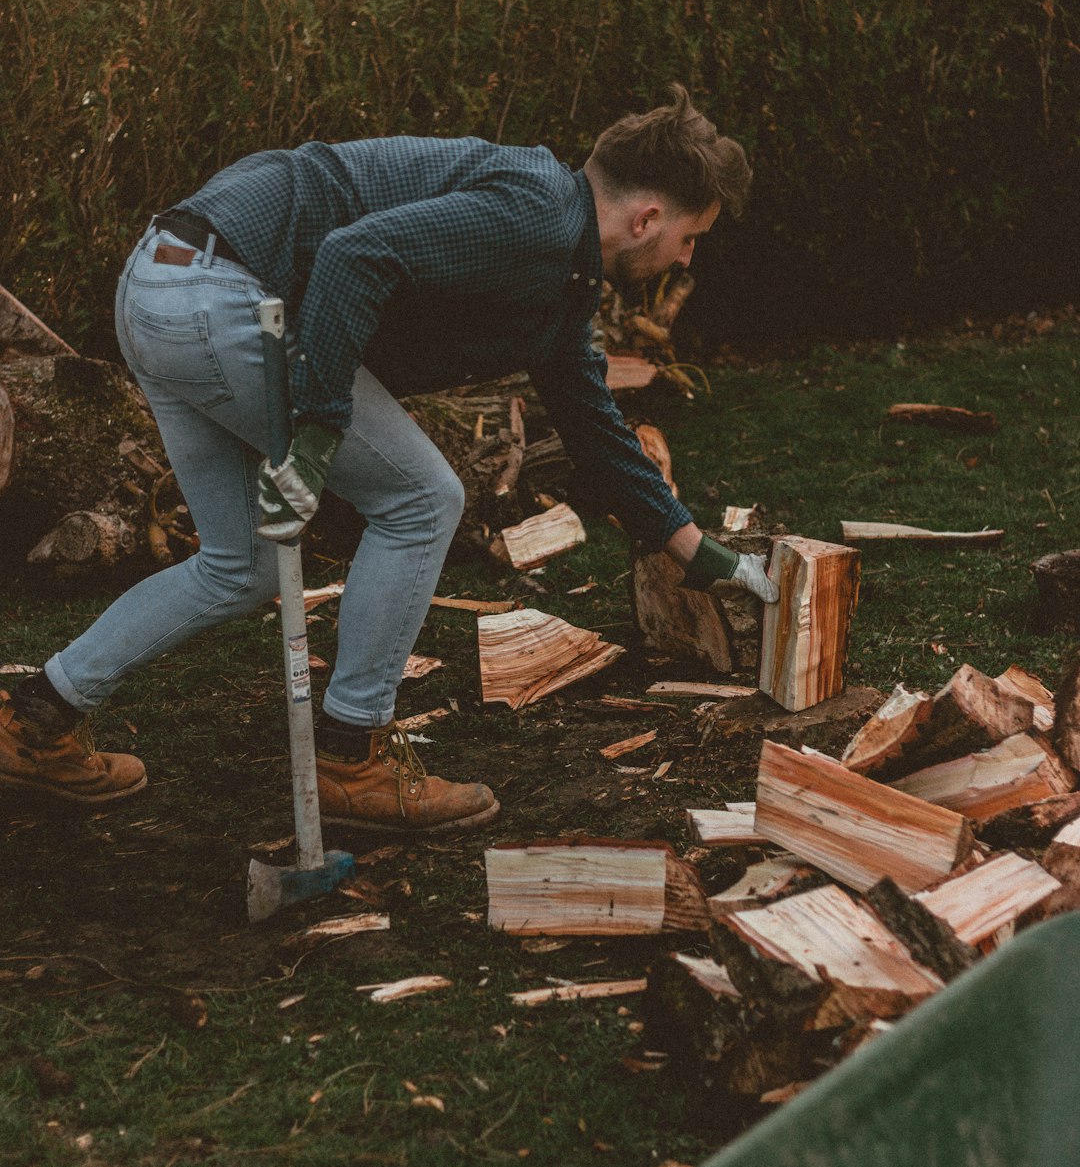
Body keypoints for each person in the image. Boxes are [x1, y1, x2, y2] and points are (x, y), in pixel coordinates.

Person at [0, 85, 777, 833]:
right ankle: (351, 762)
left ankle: (37, 719)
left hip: (163, 282)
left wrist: (697, 551)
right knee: (423, 499)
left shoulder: (559, 268)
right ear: (646, 218)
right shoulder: (536, 214)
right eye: (690, 237)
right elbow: (355, 254)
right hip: (223, 293)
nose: (687, 259)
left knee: (242, 566)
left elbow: (592, 422)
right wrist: (318, 430)